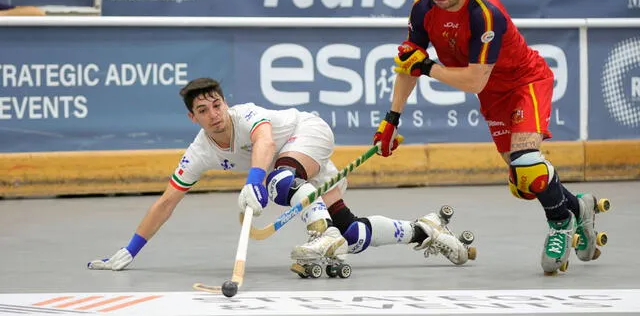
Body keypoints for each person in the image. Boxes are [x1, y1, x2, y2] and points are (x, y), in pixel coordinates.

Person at [373, 0, 610, 275]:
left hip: (524, 83)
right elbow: (407, 65)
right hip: (493, 96)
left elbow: (472, 80)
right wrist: (391, 119)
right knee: (524, 183)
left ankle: (559, 225)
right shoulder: (423, 9)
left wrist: (427, 67)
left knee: (527, 163)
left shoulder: (484, 14)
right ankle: (579, 206)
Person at [88, 78, 473, 277]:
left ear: (225, 101)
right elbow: (166, 201)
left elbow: (266, 142)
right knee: (353, 235)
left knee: (279, 180)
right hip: (300, 169)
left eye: (217, 104)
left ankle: (319, 233)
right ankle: (425, 230)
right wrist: (131, 249)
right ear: (194, 118)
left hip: (309, 136)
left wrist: (255, 179)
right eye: (204, 110)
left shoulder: (246, 114)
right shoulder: (200, 151)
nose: (215, 114)